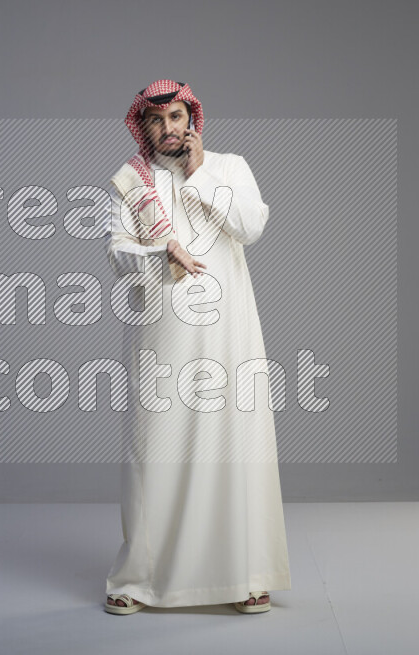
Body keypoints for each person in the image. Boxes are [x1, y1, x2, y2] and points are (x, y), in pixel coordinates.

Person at [103, 80, 291, 615]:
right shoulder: (128, 184)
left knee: (236, 442)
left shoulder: (230, 167)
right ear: (143, 126)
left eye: (177, 117)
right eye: (157, 120)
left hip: (228, 332)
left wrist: (200, 175)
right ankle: (139, 577)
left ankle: (247, 574)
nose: (169, 129)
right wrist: (163, 256)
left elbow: (251, 226)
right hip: (160, 333)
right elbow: (118, 253)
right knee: (152, 451)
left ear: (193, 119)